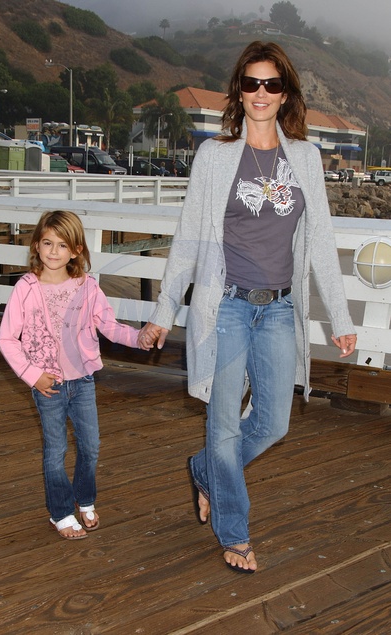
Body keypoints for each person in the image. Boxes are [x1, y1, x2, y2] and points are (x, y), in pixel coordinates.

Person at [138, 41, 357, 573]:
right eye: (251, 83)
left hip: (280, 308)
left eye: (272, 84)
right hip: (227, 308)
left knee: (273, 423)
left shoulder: (305, 157)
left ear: (285, 94)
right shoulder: (215, 156)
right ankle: (234, 532)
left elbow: (321, 242)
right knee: (224, 426)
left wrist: (341, 316)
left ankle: (205, 471)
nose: (261, 93)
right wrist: (164, 311)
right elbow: (189, 239)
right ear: (238, 91)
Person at [0, 210, 147, 540]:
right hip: (47, 385)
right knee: (56, 451)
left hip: (82, 381)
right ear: (36, 246)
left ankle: (85, 498)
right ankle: (61, 512)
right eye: (47, 243)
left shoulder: (87, 286)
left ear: (77, 250)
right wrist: (32, 375)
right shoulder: (26, 288)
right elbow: (7, 338)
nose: (54, 251)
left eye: (63, 245)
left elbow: (108, 325)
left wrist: (139, 338)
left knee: (90, 446)